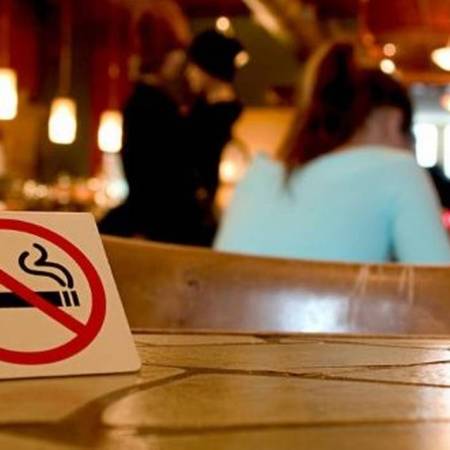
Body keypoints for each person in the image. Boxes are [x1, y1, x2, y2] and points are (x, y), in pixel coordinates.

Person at [215, 41, 450, 264]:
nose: (409, 148)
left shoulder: (258, 175)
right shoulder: (399, 169)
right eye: (408, 136)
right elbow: (439, 285)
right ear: (392, 121)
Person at [99, 1, 201, 244]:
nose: (184, 63)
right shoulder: (155, 107)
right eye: (178, 52)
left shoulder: (143, 103)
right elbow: (158, 185)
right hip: (165, 231)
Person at [183, 29, 246, 245]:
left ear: (207, 68)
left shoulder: (222, 117)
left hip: (210, 223)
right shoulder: (204, 111)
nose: (188, 73)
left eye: (193, 66)